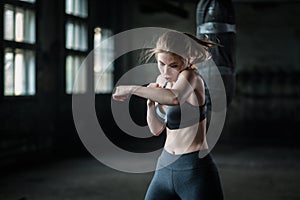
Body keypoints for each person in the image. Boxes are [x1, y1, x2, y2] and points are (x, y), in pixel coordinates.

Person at [112, 31, 223, 200]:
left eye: (173, 65)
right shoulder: (161, 81)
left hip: (194, 170)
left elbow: (175, 97)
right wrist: (150, 104)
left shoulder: (191, 77)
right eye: (161, 63)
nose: (165, 71)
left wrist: (131, 89)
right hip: (164, 167)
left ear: (186, 60)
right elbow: (157, 130)